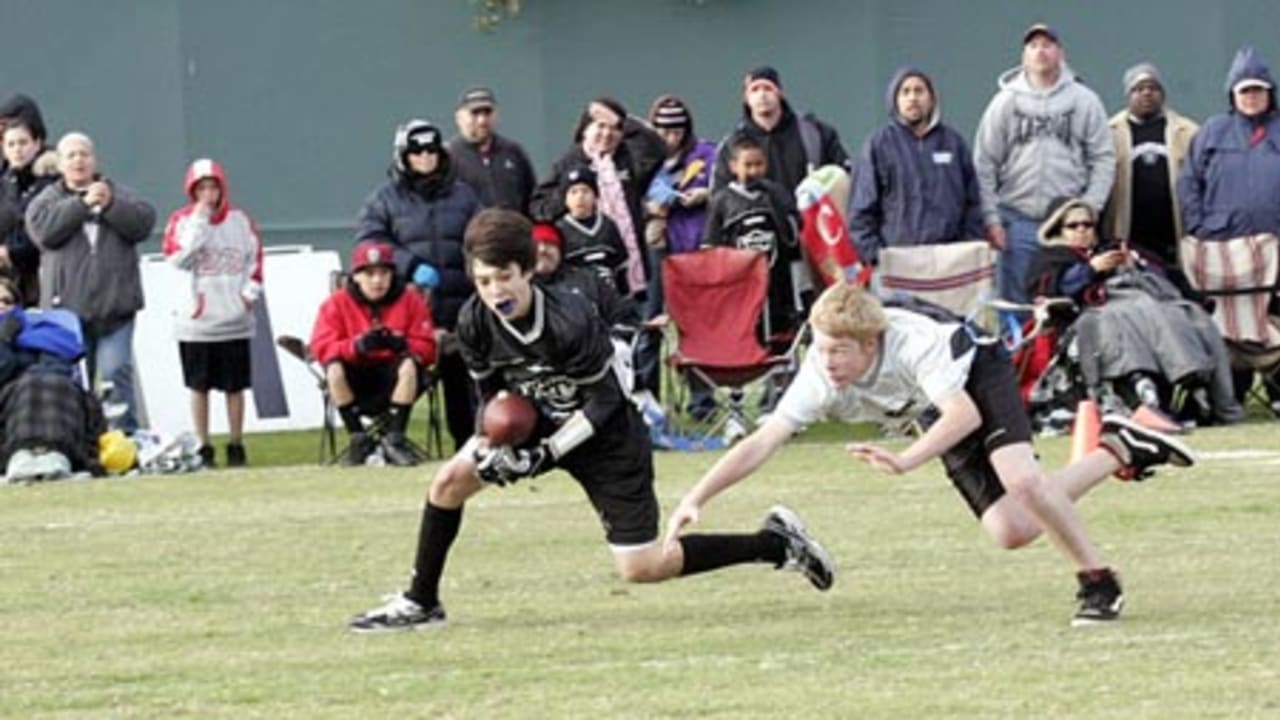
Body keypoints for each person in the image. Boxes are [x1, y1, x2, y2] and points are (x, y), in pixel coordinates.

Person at [346, 209, 834, 633]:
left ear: (529, 270)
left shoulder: (569, 319)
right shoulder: (475, 319)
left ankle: (775, 543)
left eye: (503, 277)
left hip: (606, 437)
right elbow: (490, 397)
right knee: (449, 480)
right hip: (536, 420)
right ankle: (421, 600)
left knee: (641, 567)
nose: (495, 291)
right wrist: (494, 446)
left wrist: (544, 453)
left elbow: (602, 403)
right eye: (483, 280)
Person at [666, 281, 1197, 626]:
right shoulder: (820, 372)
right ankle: (1121, 446)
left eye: (838, 351)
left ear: (870, 343)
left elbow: (962, 415)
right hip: (934, 409)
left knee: (1022, 480)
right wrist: (696, 497)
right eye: (820, 348)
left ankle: (1098, 583)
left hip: (976, 379)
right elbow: (761, 441)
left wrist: (906, 460)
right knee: (1012, 530)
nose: (826, 363)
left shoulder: (911, 343)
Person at [1026, 198, 1240, 424]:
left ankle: (1199, 385)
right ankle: (1164, 379)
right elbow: (1054, 291)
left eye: (1088, 225)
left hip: (1146, 302)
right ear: (1056, 229)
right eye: (1073, 226)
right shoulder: (1050, 257)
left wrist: (1133, 264)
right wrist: (1091, 269)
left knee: (1191, 315)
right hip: (1091, 313)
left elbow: (1165, 275)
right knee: (1129, 312)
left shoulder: (1116, 246)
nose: (1082, 230)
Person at [355, 119, 480, 451]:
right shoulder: (384, 199)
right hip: (407, 312)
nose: (426, 157)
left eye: (432, 150)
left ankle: (468, 449)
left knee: (462, 385)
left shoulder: (464, 195)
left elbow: (484, 234)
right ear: (403, 156)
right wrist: (408, 265)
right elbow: (369, 241)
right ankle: (390, 441)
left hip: (460, 306)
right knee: (401, 373)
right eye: (417, 151)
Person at [973, 24, 1115, 306]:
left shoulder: (1084, 100)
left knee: (1068, 301)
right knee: (1019, 304)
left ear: (1060, 53)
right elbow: (984, 163)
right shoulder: (1005, 102)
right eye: (1033, 45)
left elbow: (1104, 158)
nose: (1041, 51)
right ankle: (1019, 353)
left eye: (1048, 44)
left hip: (1066, 225)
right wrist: (992, 220)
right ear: (1024, 55)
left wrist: (1089, 208)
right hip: (1017, 220)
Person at [25, 131, 157, 434]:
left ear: (94, 160)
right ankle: (72, 441)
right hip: (66, 315)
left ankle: (125, 441)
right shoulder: (45, 202)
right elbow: (44, 233)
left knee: (115, 374)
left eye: (84, 154)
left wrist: (109, 205)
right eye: (70, 155)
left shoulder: (118, 194)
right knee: (70, 380)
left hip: (116, 309)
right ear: (59, 163)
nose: (78, 160)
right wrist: (82, 205)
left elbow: (144, 222)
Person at [1177, 46, 1280, 406]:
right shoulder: (1213, 132)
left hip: (1275, 252)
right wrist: (1200, 228)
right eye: (1244, 90)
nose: (1251, 97)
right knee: (1229, 317)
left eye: (1258, 90)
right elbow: (1189, 183)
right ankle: (1230, 389)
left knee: (1272, 317)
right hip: (1225, 251)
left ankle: (1276, 389)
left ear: (1270, 92)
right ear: (1232, 94)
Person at [161, 159, 264, 468]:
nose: (208, 194)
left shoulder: (241, 220)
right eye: (201, 188)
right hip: (196, 322)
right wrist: (199, 222)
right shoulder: (181, 221)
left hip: (234, 320)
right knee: (199, 386)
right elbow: (178, 258)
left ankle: (236, 443)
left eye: (213, 187)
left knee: (235, 387)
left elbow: (255, 262)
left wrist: (246, 299)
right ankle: (203, 444)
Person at [310, 240, 437, 466]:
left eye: (383, 273)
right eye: (369, 274)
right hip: (355, 376)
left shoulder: (411, 301)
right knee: (334, 369)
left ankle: (395, 438)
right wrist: (356, 346)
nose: (377, 280)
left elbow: (428, 347)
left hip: (394, 376)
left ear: (392, 275)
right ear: (356, 276)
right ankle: (358, 438)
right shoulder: (336, 303)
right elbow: (321, 347)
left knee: (408, 366)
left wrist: (402, 345)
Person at [848, 67, 985, 266]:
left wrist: (965, 249)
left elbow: (973, 203)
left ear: (931, 98)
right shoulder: (878, 145)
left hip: (949, 264)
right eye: (905, 91)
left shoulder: (953, 143)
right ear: (895, 100)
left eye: (919, 91)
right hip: (896, 265)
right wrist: (876, 257)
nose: (912, 98)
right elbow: (860, 212)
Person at [530, 98, 663, 299]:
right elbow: (539, 208)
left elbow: (657, 147)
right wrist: (571, 198)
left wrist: (625, 120)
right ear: (585, 129)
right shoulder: (569, 162)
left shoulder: (627, 156)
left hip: (627, 265)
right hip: (580, 269)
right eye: (600, 126)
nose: (607, 134)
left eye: (616, 128)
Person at [1104, 62, 1199, 292]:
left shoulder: (1188, 132)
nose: (1146, 93)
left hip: (1174, 238)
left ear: (1162, 94)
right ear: (1128, 95)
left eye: (1153, 87)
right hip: (1129, 237)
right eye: (1138, 89)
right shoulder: (1108, 133)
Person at [703, 133, 802, 342]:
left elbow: (793, 236)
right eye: (748, 165)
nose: (754, 171)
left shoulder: (776, 194)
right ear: (733, 166)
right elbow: (710, 246)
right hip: (739, 286)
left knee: (779, 335)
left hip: (776, 284)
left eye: (759, 164)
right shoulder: (722, 201)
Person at [712, 66, 849, 194]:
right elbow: (719, 196)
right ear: (746, 99)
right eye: (755, 90)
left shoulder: (815, 134)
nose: (762, 95)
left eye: (768, 88)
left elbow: (845, 177)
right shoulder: (733, 144)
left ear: (780, 93)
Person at [447, 87, 538, 215]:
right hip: (470, 233)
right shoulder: (448, 157)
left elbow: (532, 198)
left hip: (514, 231)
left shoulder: (513, 152)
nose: (482, 120)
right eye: (475, 113)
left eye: (487, 113)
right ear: (459, 117)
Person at [0, 116, 59, 306]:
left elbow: (48, 230)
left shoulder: (52, 183)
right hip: (8, 281)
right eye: (11, 144)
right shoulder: (5, 183)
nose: (17, 149)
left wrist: (12, 252)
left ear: (37, 144)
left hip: (41, 277)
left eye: (23, 142)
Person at [554, 165, 628, 291]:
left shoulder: (608, 225)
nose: (580, 197)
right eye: (574, 192)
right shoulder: (560, 230)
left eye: (585, 191)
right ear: (565, 200)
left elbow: (620, 264)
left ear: (595, 196)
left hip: (609, 293)